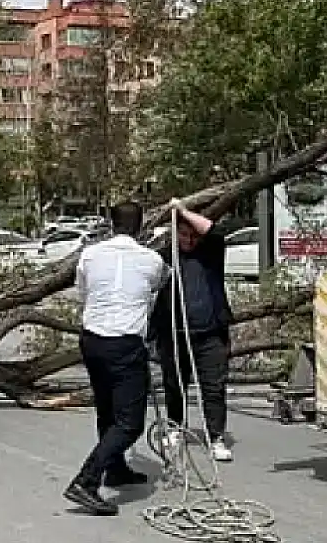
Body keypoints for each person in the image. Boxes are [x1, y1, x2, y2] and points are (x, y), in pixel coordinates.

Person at [63, 200, 168, 517]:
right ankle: (87, 480)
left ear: (111, 224)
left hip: (93, 339)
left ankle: (116, 468)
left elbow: (82, 292)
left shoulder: (90, 254)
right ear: (141, 226)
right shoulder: (151, 260)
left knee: (107, 410)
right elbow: (160, 284)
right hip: (124, 343)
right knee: (130, 422)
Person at [150, 200, 235, 463]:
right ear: (174, 234)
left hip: (210, 333)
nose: (188, 240)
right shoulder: (163, 257)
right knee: (175, 385)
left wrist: (183, 210)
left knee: (214, 386)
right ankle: (175, 427)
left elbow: (215, 232)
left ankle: (216, 436)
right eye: (183, 234)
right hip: (173, 333)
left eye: (192, 235)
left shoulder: (210, 252)